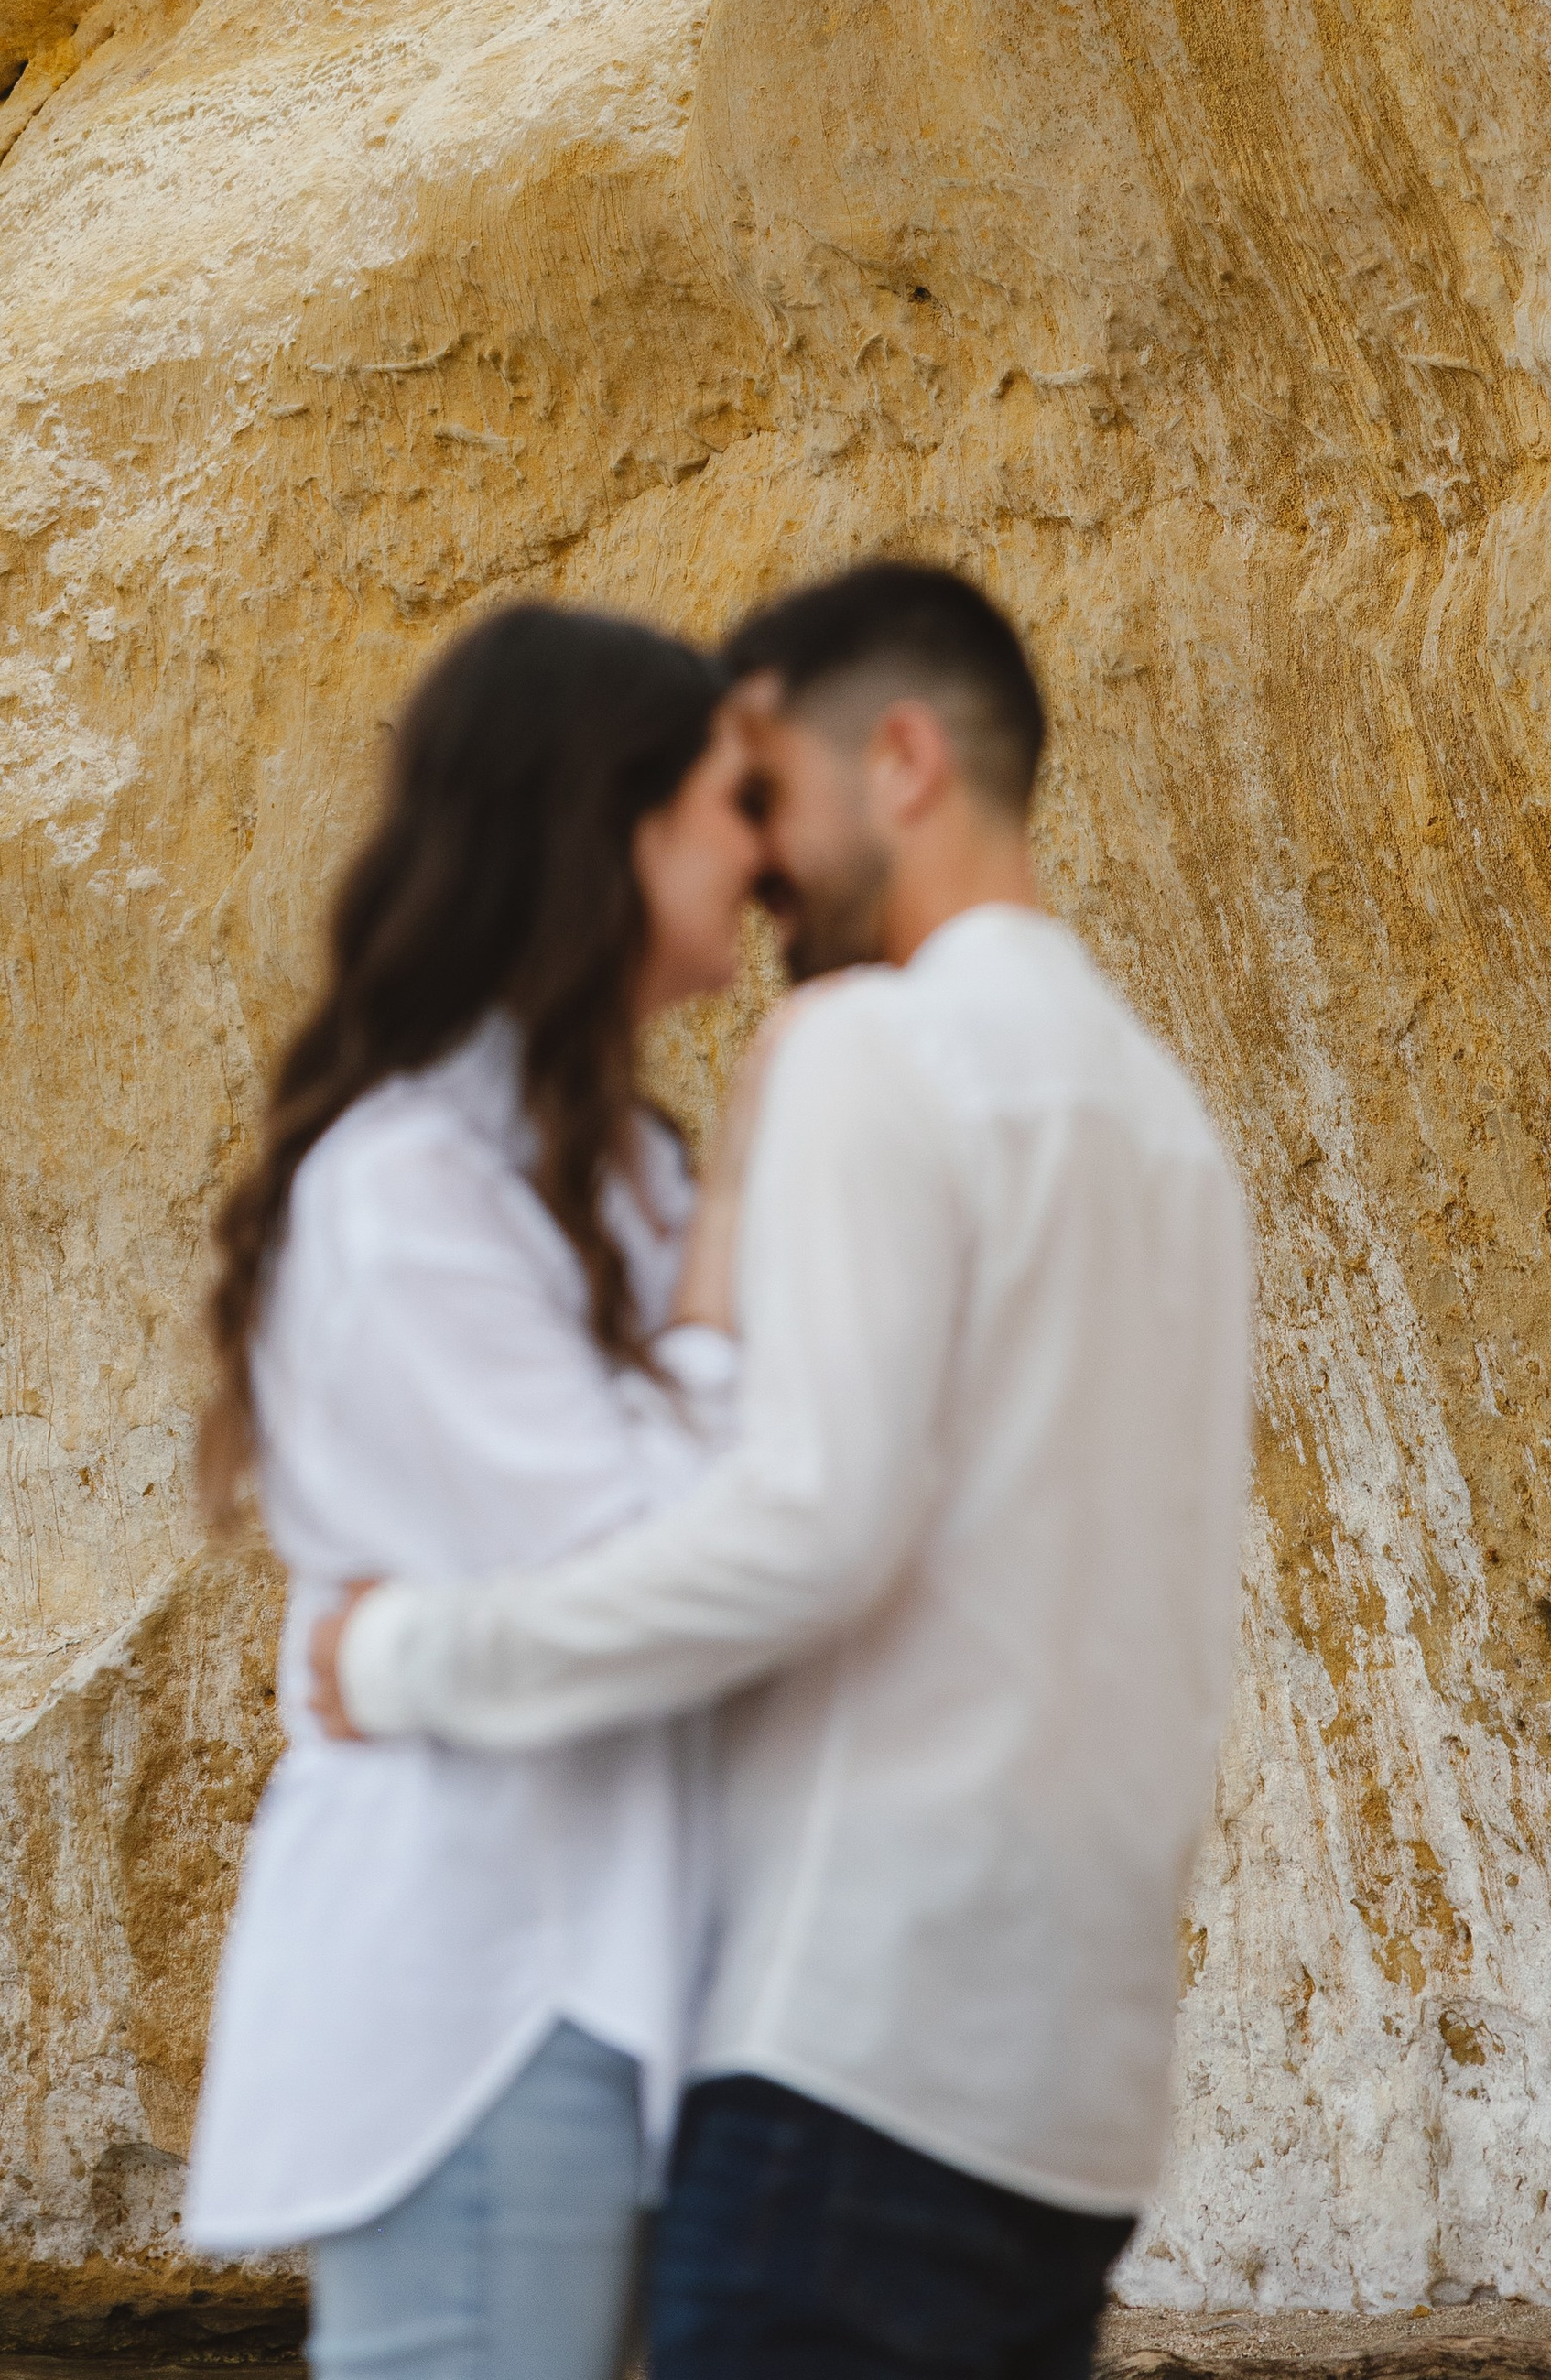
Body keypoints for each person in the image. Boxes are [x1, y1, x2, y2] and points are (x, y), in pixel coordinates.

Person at [318, 560, 1253, 2380]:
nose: (754, 865)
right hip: (1075, 2103)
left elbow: (808, 1528)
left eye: (765, 790)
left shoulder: (870, 1050)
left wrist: (398, 1658)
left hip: (851, 2054)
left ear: (897, 760)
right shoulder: (1169, 1132)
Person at [181, 601, 764, 2380]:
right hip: (486, 1998)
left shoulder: (620, 1167)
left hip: (636, 1975)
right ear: (613, 823)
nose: (765, 854)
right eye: (729, 805)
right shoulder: (406, 1190)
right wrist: (736, 1273)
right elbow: (664, 1563)